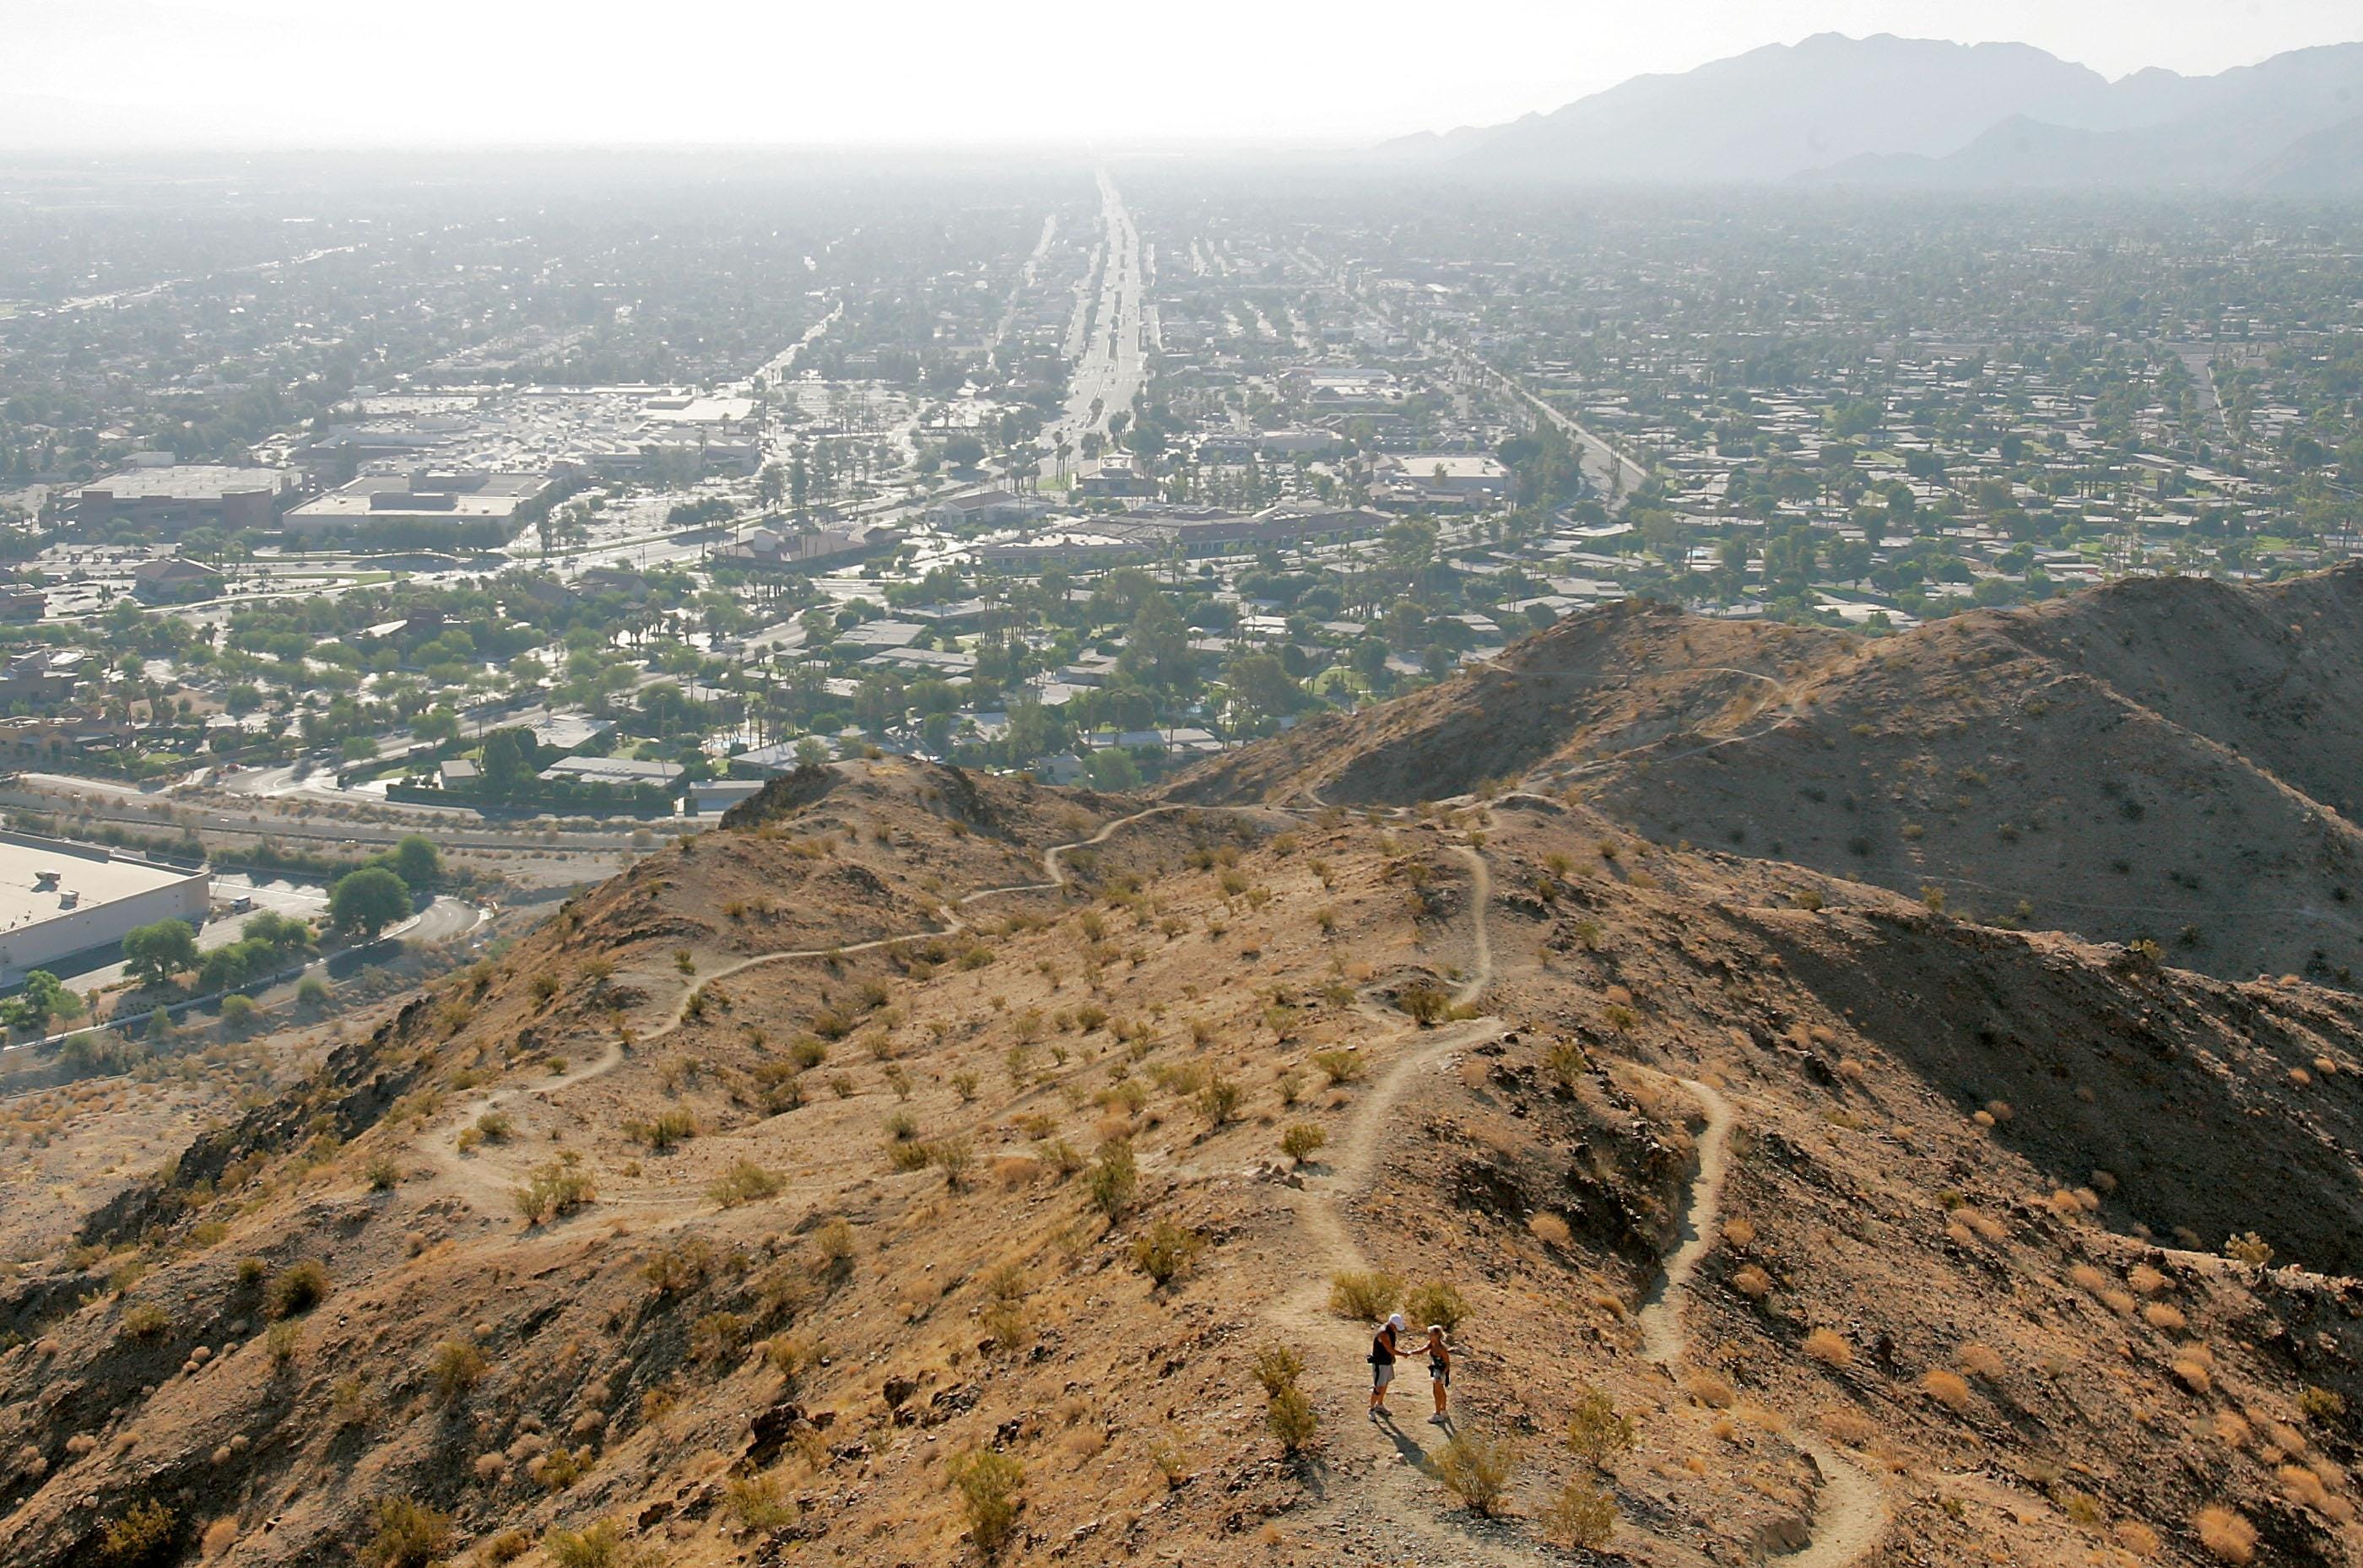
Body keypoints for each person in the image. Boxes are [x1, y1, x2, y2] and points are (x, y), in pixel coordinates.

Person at [1368, 1311, 1406, 1420]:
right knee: (1378, 1387)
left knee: (1384, 1384)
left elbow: (1390, 1348)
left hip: (1386, 1362)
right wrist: (1403, 1354)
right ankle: (1371, 1409)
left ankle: (1379, 1405)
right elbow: (1390, 1349)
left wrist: (1392, 1357)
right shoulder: (1383, 1333)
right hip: (1380, 1363)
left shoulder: (1391, 1331)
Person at [1422, 1324, 1452, 1425]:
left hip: (1440, 1371)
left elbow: (1447, 1363)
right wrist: (1410, 1353)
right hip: (1436, 1370)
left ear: (1437, 1335)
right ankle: (1443, 1410)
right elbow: (1423, 1350)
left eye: (1431, 1334)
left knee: (1436, 1391)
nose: (1429, 1336)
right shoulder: (1432, 1344)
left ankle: (1438, 1414)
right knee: (1441, 1390)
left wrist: (1441, 1375)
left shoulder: (1442, 1349)